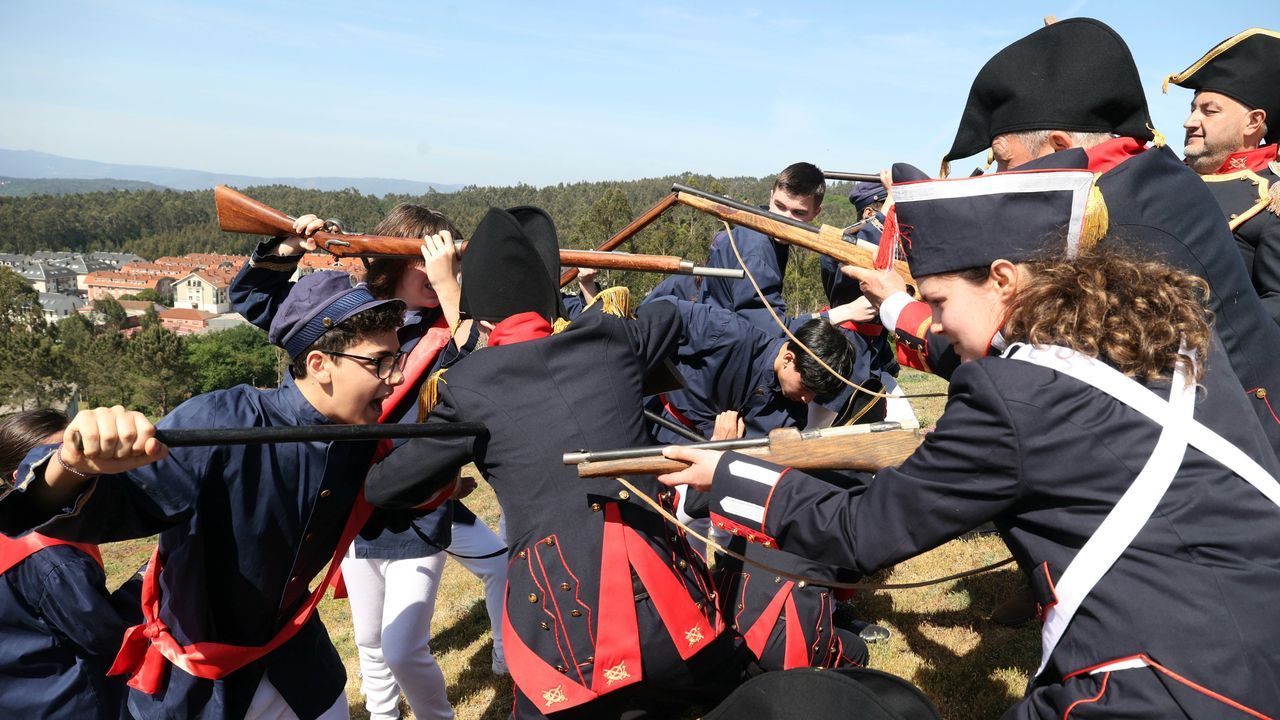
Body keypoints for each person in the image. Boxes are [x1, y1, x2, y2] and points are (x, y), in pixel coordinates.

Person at [660, 167, 1280, 719]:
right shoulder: (1162, 336)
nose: (939, 321)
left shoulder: (1010, 397)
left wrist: (732, 474)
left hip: (1156, 687)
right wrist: (901, 308)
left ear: (1005, 278)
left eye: (940, 301)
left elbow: (862, 531)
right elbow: (1029, 370)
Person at [363, 206, 744, 719]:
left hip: (565, 633)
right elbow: (666, 313)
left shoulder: (467, 385)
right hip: (676, 622)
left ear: (483, 316)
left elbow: (387, 487)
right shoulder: (611, 339)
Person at [848, 17, 1280, 459]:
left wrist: (898, 306)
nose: (1000, 177)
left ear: (1057, 145)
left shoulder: (1114, 216)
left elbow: (1029, 364)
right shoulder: (1141, 183)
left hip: (1236, 455)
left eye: (1004, 161)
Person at [0, 271, 410, 720]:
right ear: (319, 364)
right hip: (200, 689)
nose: (395, 377)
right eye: (380, 362)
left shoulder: (362, 437)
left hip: (305, 673)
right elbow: (101, 507)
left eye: (397, 359)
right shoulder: (222, 421)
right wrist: (74, 462)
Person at [229, 204, 509, 720]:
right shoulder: (343, 308)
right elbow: (253, 298)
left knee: (402, 646)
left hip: (413, 504)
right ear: (397, 257)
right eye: (431, 258)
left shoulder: (450, 327)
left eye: (452, 261)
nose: (445, 270)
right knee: (370, 643)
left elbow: (490, 371)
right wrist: (288, 247)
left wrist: (451, 293)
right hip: (343, 498)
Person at [0, 409, 131, 719]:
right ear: (17, 477)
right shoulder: (52, 557)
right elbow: (106, 636)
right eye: (60, 460)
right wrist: (142, 583)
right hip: (70, 703)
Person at [1167, 28, 1280, 322]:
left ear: (1253, 122)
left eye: (1209, 111)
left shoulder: (1272, 196)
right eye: (1193, 109)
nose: (1189, 122)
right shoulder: (1165, 178)